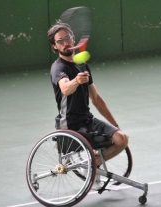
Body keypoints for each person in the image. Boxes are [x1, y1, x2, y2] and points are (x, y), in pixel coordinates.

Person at [48, 22, 128, 187]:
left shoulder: (82, 65)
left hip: (87, 120)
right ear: (54, 46)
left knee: (122, 139)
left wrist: (114, 124)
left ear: (73, 39)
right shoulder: (58, 68)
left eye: (68, 38)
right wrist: (76, 80)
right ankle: (91, 161)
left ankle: (92, 164)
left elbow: (96, 99)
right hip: (69, 124)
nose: (65, 43)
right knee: (92, 145)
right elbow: (65, 89)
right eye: (60, 41)